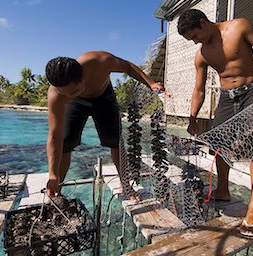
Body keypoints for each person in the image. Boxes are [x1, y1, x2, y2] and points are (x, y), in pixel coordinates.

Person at [178, 9, 253, 237]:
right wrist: (192, 117)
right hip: (225, 97)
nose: (195, 42)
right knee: (219, 143)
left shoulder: (239, 26)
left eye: (195, 36)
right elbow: (199, 89)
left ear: (203, 23)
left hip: (251, 92)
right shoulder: (202, 55)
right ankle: (222, 190)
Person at [44, 51, 164, 201]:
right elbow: (54, 135)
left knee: (115, 140)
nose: (69, 96)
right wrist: (52, 174)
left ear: (83, 76)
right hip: (76, 105)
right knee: (66, 142)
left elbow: (128, 67)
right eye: (65, 94)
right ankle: (57, 189)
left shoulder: (101, 61)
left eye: (73, 91)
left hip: (103, 97)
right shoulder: (58, 96)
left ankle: (126, 185)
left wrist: (151, 83)